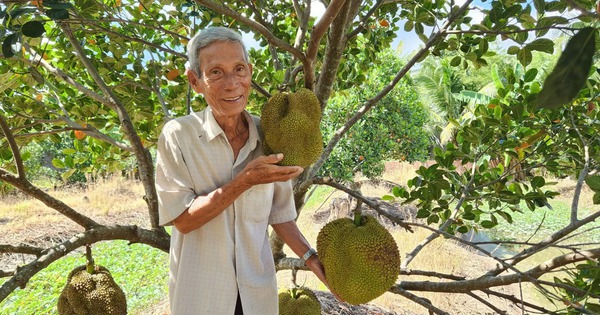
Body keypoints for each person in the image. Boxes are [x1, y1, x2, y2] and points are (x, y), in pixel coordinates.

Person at [155, 26, 332, 315]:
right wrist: (245, 181)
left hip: (256, 294)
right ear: (194, 81)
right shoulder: (178, 136)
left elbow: (280, 214)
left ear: (250, 72)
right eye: (215, 72)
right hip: (202, 297)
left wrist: (311, 258)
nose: (231, 83)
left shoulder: (269, 133)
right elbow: (183, 220)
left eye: (239, 69)